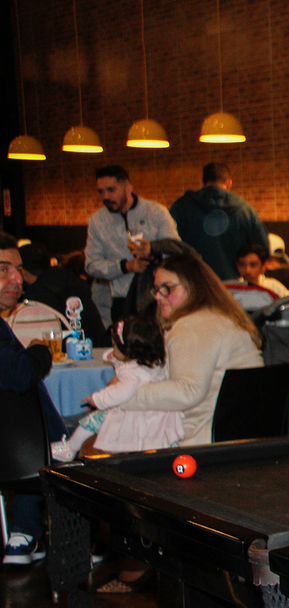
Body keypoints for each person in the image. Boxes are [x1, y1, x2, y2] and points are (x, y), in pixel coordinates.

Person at [118, 252, 263, 446]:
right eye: (156, 289)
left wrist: (121, 396)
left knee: (94, 440)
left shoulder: (195, 325)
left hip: (200, 439)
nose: (158, 296)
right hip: (235, 433)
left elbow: (188, 391)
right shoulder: (215, 318)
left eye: (167, 288)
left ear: (194, 287)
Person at [1, 234, 67, 565]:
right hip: (15, 449)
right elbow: (20, 374)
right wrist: (40, 351)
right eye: (3, 269)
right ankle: (71, 540)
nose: (17, 279)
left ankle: (27, 532)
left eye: (18, 269)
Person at [53, 316, 184, 462]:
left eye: (115, 346)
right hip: (156, 415)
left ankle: (70, 448)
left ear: (127, 350)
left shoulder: (131, 373)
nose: (113, 349)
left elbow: (122, 392)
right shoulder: (154, 364)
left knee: (90, 422)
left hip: (133, 415)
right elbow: (126, 367)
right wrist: (115, 357)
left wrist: (97, 399)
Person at [85, 165, 179, 326]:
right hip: (121, 300)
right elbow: (91, 266)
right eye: (101, 192)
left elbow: (176, 251)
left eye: (111, 190)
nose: (106, 196)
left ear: (128, 187)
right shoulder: (97, 221)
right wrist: (125, 266)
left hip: (156, 298)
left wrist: (153, 252)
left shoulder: (156, 212)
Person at [170, 162, 270, 281]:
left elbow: (171, 246)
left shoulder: (181, 207)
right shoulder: (245, 210)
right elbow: (262, 249)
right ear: (229, 184)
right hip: (234, 282)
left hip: (195, 281)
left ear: (201, 183)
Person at [17, 242, 109, 346]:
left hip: (66, 352)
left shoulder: (36, 297)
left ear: (23, 272)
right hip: (96, 348)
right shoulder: (72, 282)